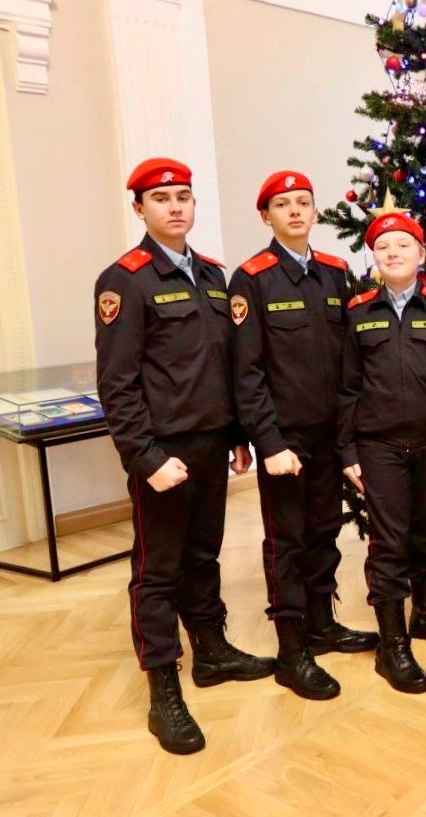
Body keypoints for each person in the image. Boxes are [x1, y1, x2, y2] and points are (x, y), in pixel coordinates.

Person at [95, 158, 274, 755]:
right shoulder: (125, 280)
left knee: (203, 555)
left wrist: (238, 435)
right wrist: (145, 458)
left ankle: (212, 651)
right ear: (139, 208)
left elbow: (225, 365)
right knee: (157, 570)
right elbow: (117, 383)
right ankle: (162, 687)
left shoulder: (213, 276)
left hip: (211, 443)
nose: (175, 207)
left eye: (183, 197)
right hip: (163, 452)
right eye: (161, 198)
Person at [229, 170, 379, 702]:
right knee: (287, 542)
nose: (295, 211)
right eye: (282, 204)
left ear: (315, 212)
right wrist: (268, 443)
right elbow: (246, 372)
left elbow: (350, 362)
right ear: (265, 216)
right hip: (286, 441)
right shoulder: (252, 279)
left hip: (330, 435)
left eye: (303, 202)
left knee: (324, 533)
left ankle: (322, 625)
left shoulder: (335, 273)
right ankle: (292, 651)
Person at [337, 212, 426, 694]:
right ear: (373, 257)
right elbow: (347, 387)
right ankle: (392, 644)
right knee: (389, 543)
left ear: (421, 254)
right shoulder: (359, 312)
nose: (393, 253)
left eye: (402, 245)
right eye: (383, 247)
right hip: (379, 447)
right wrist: (347, 450)